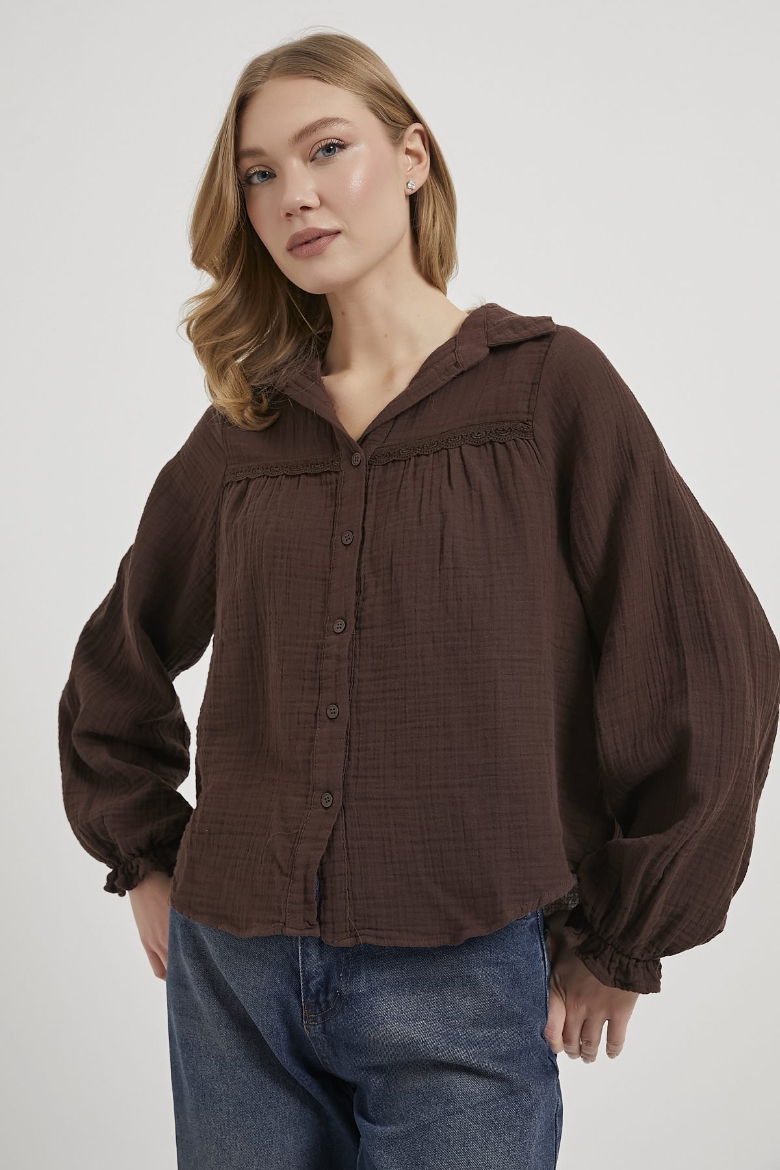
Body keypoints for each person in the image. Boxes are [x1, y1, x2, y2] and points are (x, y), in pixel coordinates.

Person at [57, 30, 780, 1170]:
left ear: (411, 157)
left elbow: (707, 659)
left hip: (462, 973)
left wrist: (626, 939)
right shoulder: (245, 430)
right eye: (259, 173)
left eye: (325, 149)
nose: (293, 195)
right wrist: (145, 855)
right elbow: (121, 655)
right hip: (233, 978)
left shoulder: (547, 389)